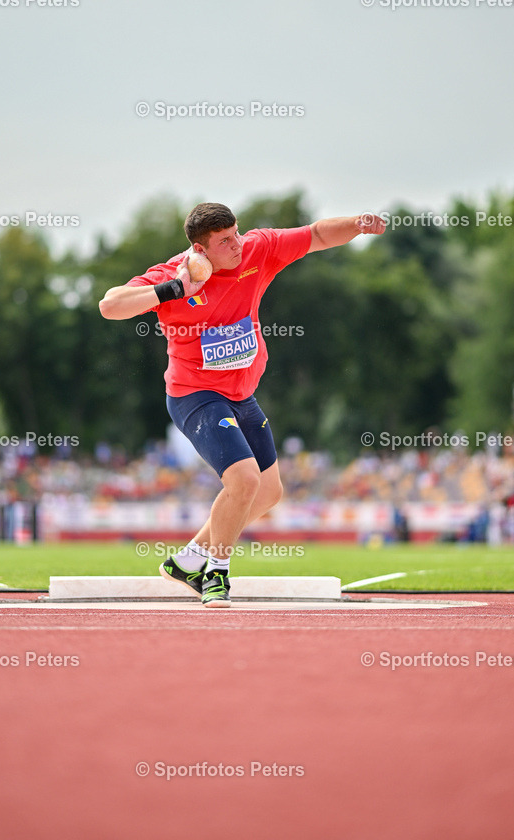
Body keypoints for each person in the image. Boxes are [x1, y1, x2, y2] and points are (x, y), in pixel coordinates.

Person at [99, 202, 386, 607]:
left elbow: (317, 234)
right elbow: (109, 306)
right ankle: (215, 572)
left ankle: (188, 560)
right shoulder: (173, 276)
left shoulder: (256, 249)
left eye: (236, 233)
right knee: (245, 481)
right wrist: (176, 290)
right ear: (200, 251)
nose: (236, 244)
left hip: (240, 394)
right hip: (194, 395)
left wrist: (357, 225)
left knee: (268, 492)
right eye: (224, 241)